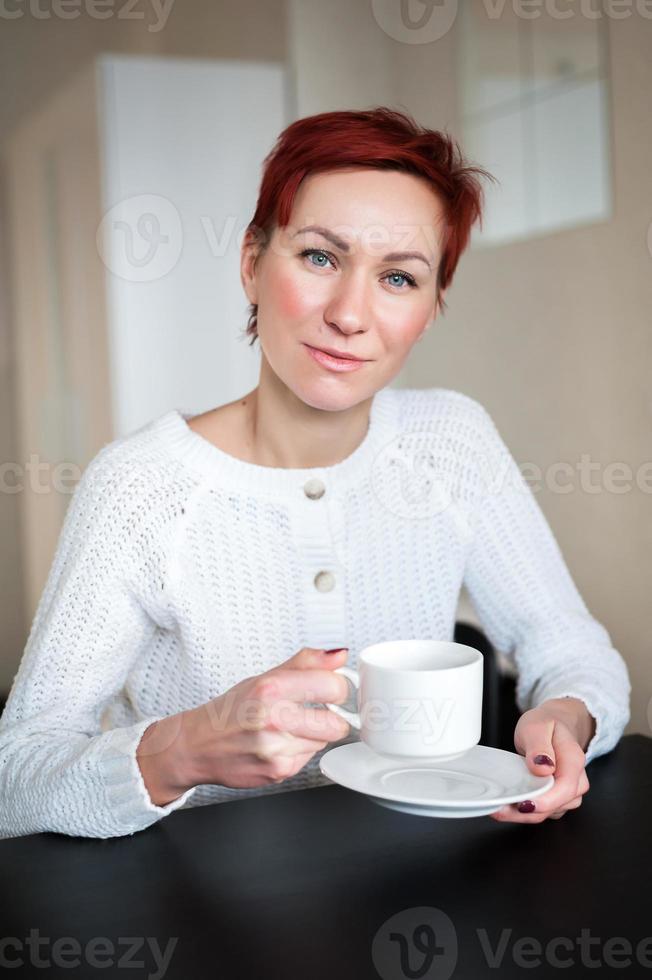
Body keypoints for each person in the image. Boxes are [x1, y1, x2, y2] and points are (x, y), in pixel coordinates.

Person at [0, 107, 630, 839]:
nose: (350, 315)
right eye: (320, 258)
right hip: (198, 920)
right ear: (251, 264)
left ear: (429, 311)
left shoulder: (451, 442)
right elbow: (15, 779)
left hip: (424, 890)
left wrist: (564, 717)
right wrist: (183, 748)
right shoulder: (140, 488)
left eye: (398, 278)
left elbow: (573, 649)